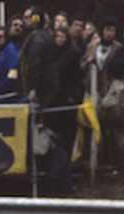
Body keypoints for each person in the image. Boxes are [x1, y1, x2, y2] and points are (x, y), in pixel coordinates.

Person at [39, 26, 83, 194]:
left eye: (62, 36)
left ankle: (64, 180)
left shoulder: (72, 55)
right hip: (53, 104)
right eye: (56, 36)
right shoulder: (50, 57)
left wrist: (72, 97)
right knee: (54, 142)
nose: (59, 39)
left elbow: (76, 80)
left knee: (65, 142)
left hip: (66, 104)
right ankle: (55, 179)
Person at [0, 24, 21, 100]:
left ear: (6, 38)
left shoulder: (10, 52)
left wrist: (2, 90)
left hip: (5, 97)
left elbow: (13, 73)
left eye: (0, 37)